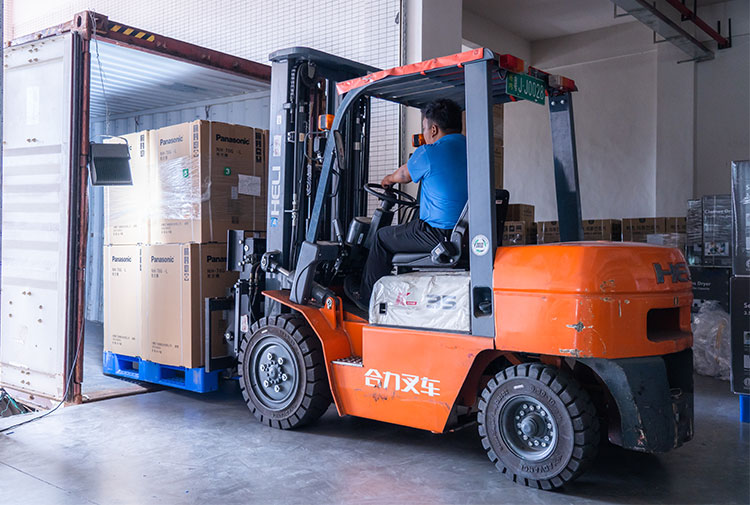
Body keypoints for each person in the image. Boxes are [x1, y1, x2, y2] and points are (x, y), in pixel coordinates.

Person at [348, 98, 468, 311]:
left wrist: (387, 180)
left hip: (438, 235)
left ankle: (367, 299)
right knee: (404, 229)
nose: (424, 134)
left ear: (433, 129)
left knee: (382, 238)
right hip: (466, 234)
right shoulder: (472, 149)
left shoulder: (430, 151)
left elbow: (403, 175)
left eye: (424, 128)